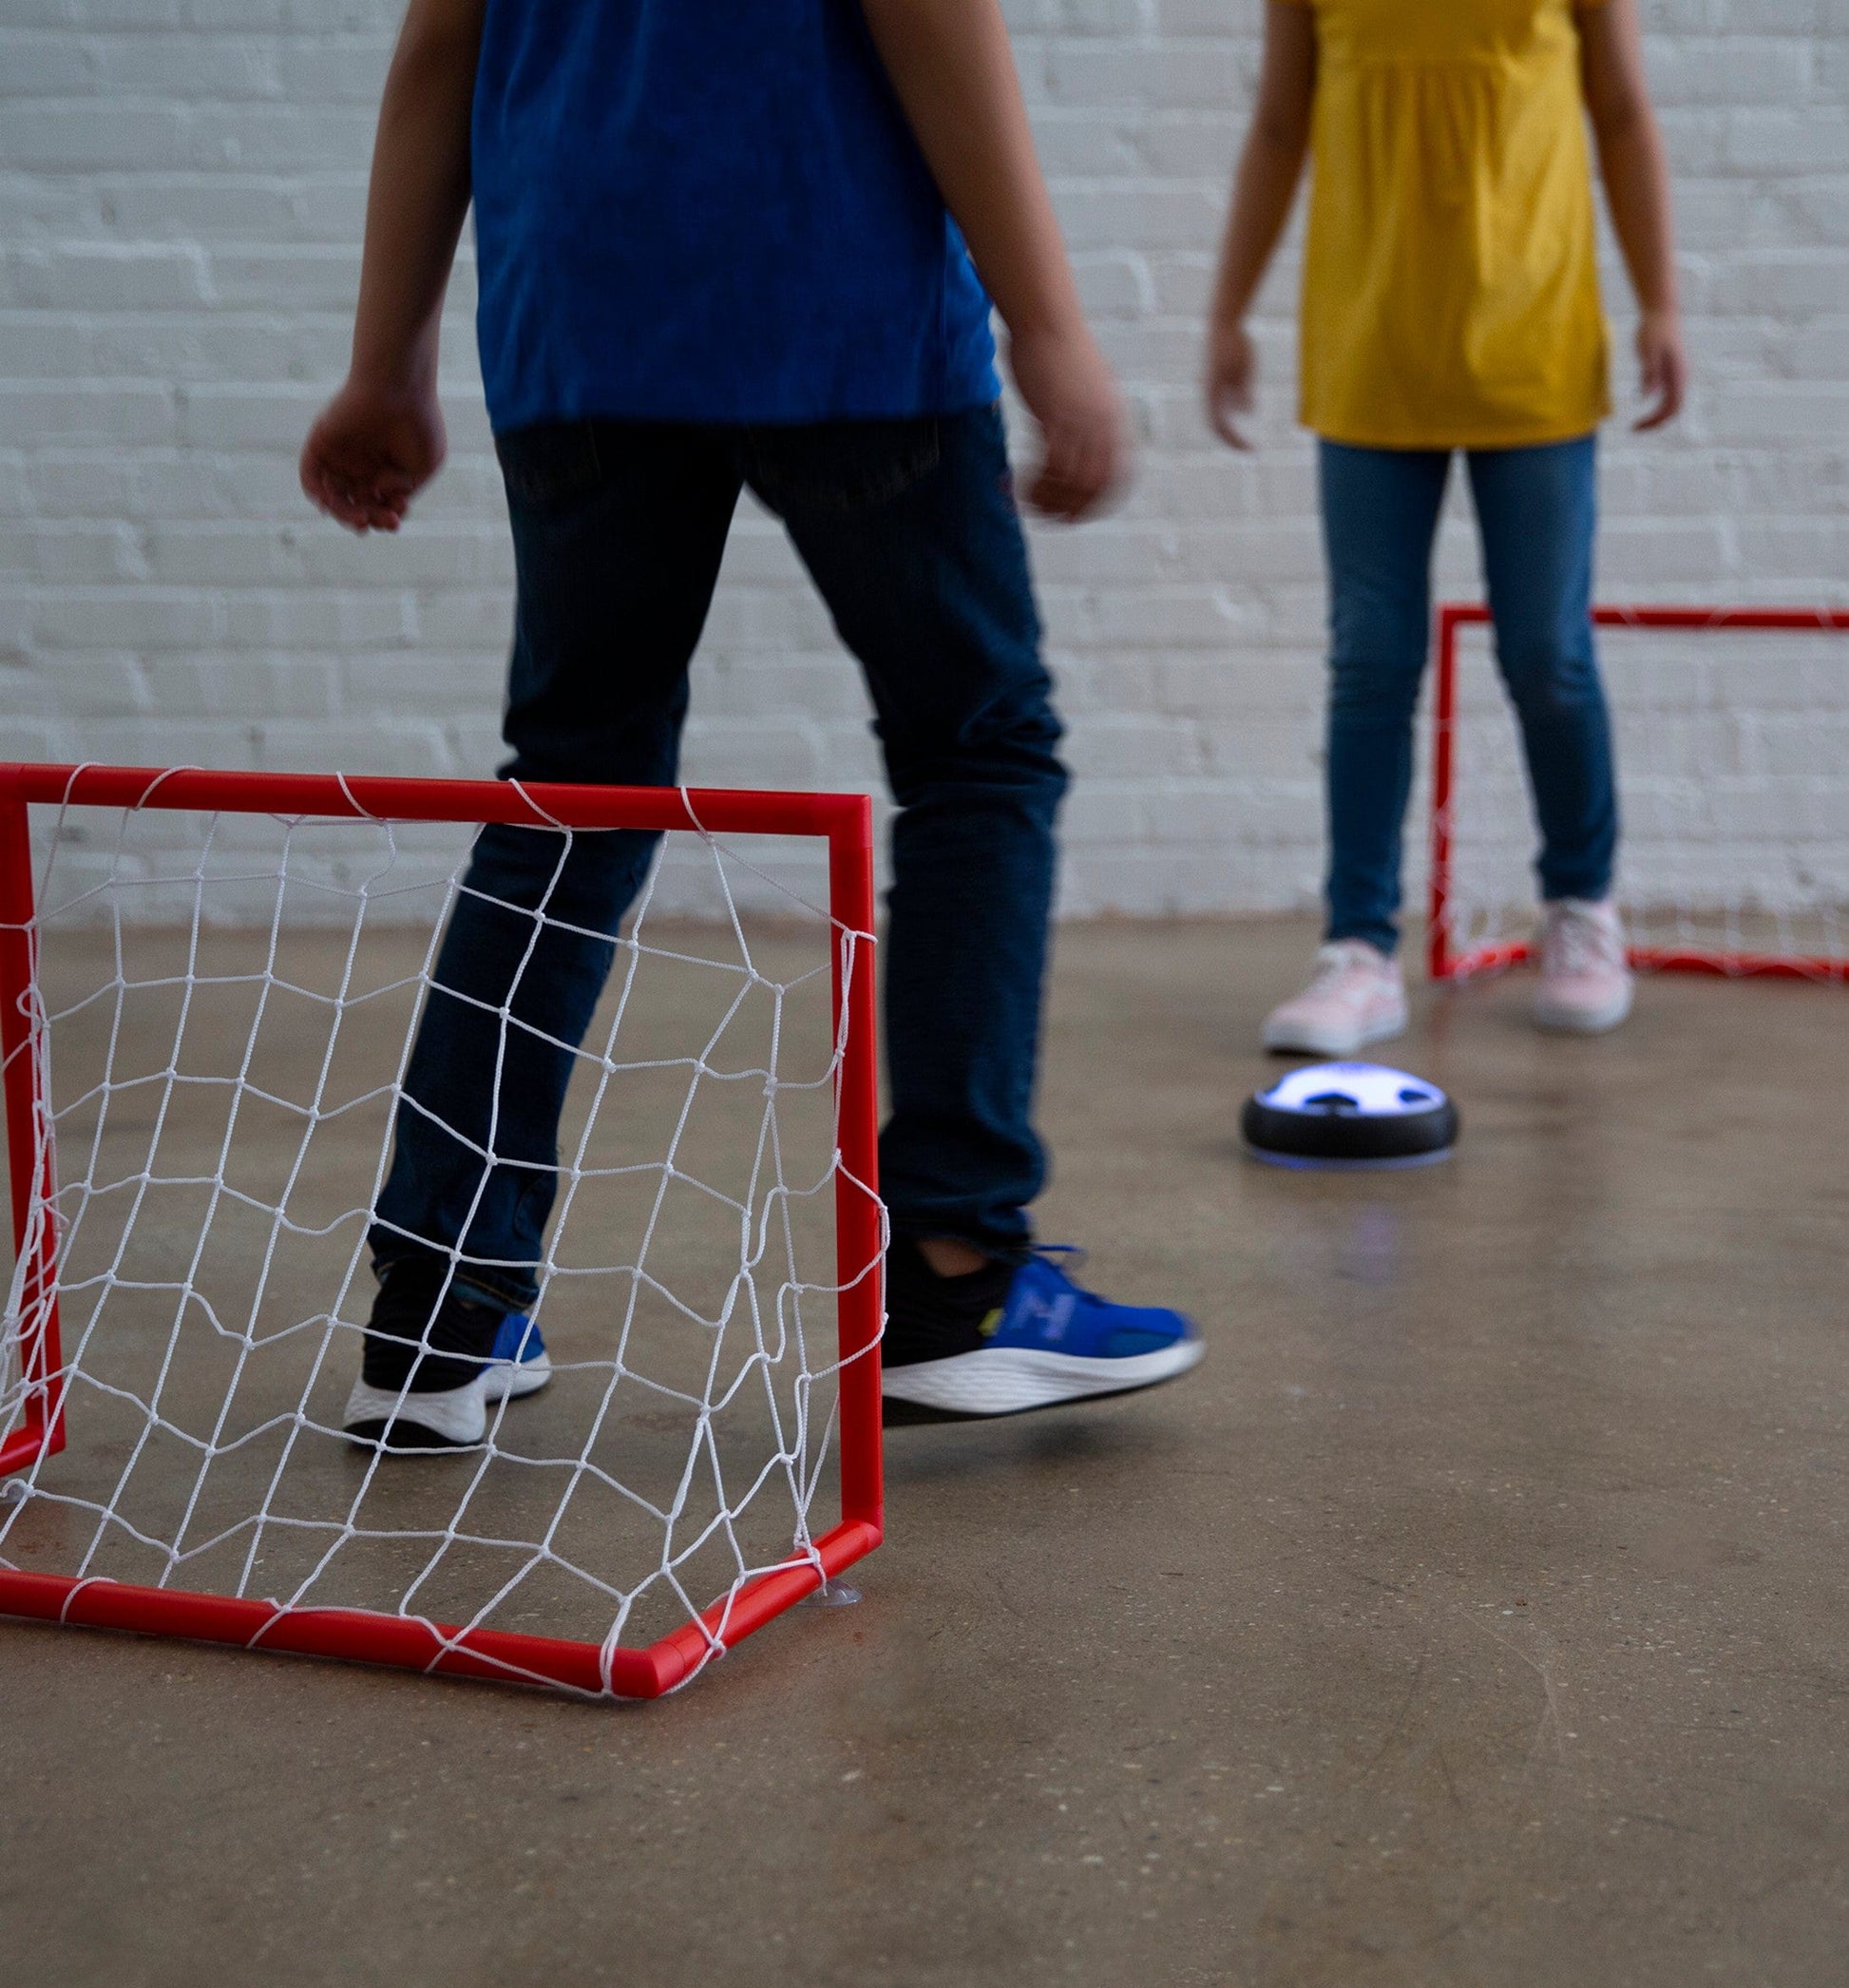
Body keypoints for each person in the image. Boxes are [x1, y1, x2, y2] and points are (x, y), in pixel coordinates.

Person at [300, 0, 1202, 1447]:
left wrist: (385, 360)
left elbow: (436, 49)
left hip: (577, 311)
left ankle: (436, 1320)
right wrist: (1051, 330)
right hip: (828, 286)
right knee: (977, 752)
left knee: (572, 787)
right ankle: (957, 1282)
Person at [1206, 0, 1687, 1053]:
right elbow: (1280, 124)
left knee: (1546, 653)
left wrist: (1659, 302)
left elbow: (1618, 110)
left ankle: (1579, 908)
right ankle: (1359, 951)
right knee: (1370, 658)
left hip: (1534, 351)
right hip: (1371, 353)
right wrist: (1225, 312)